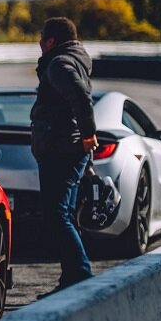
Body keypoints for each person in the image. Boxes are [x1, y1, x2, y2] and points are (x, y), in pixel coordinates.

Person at [30, 16, 99, 294]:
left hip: (61, 150)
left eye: (41, 39)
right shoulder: (73, 60)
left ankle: (80, 272)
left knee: (56, 214)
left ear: (50, 41)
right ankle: (71, 278)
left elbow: (81, 98)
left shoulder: (59, 64)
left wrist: (87, 135)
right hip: (67, 147)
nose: (38, 44)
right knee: (66, 214)